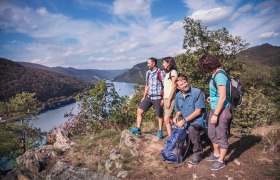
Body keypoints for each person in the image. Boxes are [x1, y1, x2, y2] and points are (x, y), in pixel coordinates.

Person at [198, 54, 232, 171]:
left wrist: (216, 115)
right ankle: (216, 154)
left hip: (222, 110)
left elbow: (222, 97)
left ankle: (221, 161)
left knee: (221, 135)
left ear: (208, 65)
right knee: (211, 133)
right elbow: (218, 95)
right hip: (215, 108)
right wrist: (211, 98)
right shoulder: (215, 74)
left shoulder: (220, 75)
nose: (204, 69)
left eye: (204, 67)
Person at [173, 74, 207, 165]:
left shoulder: (197, 92)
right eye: (181, 84)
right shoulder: (178, 96)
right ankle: (184, 149)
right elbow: (179, 110)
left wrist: (183, 121)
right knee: (177, 128)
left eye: (185, 82)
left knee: (191, 128)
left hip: (199, 120)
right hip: (187, 121)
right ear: (178, 87)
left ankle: (198, 153)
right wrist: (176, 117)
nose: (184, 85)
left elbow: (198, 112)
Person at [129, 57, 165, 139]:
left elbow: (165, 85)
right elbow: (147, 85)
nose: (147, 64)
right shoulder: (148, 73)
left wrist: (163, 98)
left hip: (158, 97)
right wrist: (144, 96)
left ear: (153, 63)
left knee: (159, 115)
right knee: (139, 111)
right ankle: (138, 129)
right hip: (148, 97)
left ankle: (160, 131)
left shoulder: (160, 72)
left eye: (149, 63)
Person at [162, 57, 178, 137]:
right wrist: (163, 99)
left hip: (170, 98)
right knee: (170, 118)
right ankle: (173, 137)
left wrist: (169, 100)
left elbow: (174, 86)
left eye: (164, 62)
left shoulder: (173, 72)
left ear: (169, 63)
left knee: (166, 119)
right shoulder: (167, 73)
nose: (163, 64)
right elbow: (166, 87)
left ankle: (171, 138)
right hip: (166, 97)